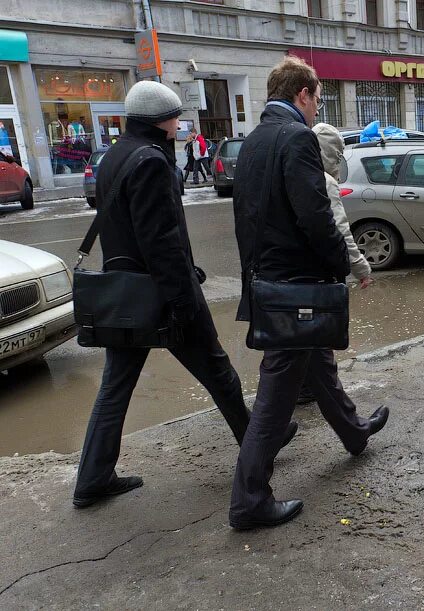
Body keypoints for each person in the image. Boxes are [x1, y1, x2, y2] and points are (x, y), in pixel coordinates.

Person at [72, 81, 296, 509]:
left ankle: (92, 477)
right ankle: (259, 445)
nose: (179, 124)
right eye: (176, 117)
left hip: (125, 296)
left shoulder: (115, 155)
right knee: (220, 373)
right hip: (161, 294)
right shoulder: (153, 162)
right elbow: (161, 241)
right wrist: (184, 301)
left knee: (114, 388)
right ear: (162, 120)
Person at [230, 56, 389, 530]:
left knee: (318, 363)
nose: (317, 107)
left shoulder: (255, 139)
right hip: (297, 287)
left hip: (273, 283)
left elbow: (246, 218)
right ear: (302, 93)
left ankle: (355, 433)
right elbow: (315, 216)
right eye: (318, 98)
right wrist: (339, 265)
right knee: (275, 400)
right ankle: (249, 501)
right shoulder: (297, 137)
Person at [294, 122, 372, 406]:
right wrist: (361, 267)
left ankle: (309, 389)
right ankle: (328, 402)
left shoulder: (295, 173)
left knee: (298, 338)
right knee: (320, 336)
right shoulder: (324, 182)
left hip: (292, 273)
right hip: (318, 273)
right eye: (338, 154)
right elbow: (340, 230)